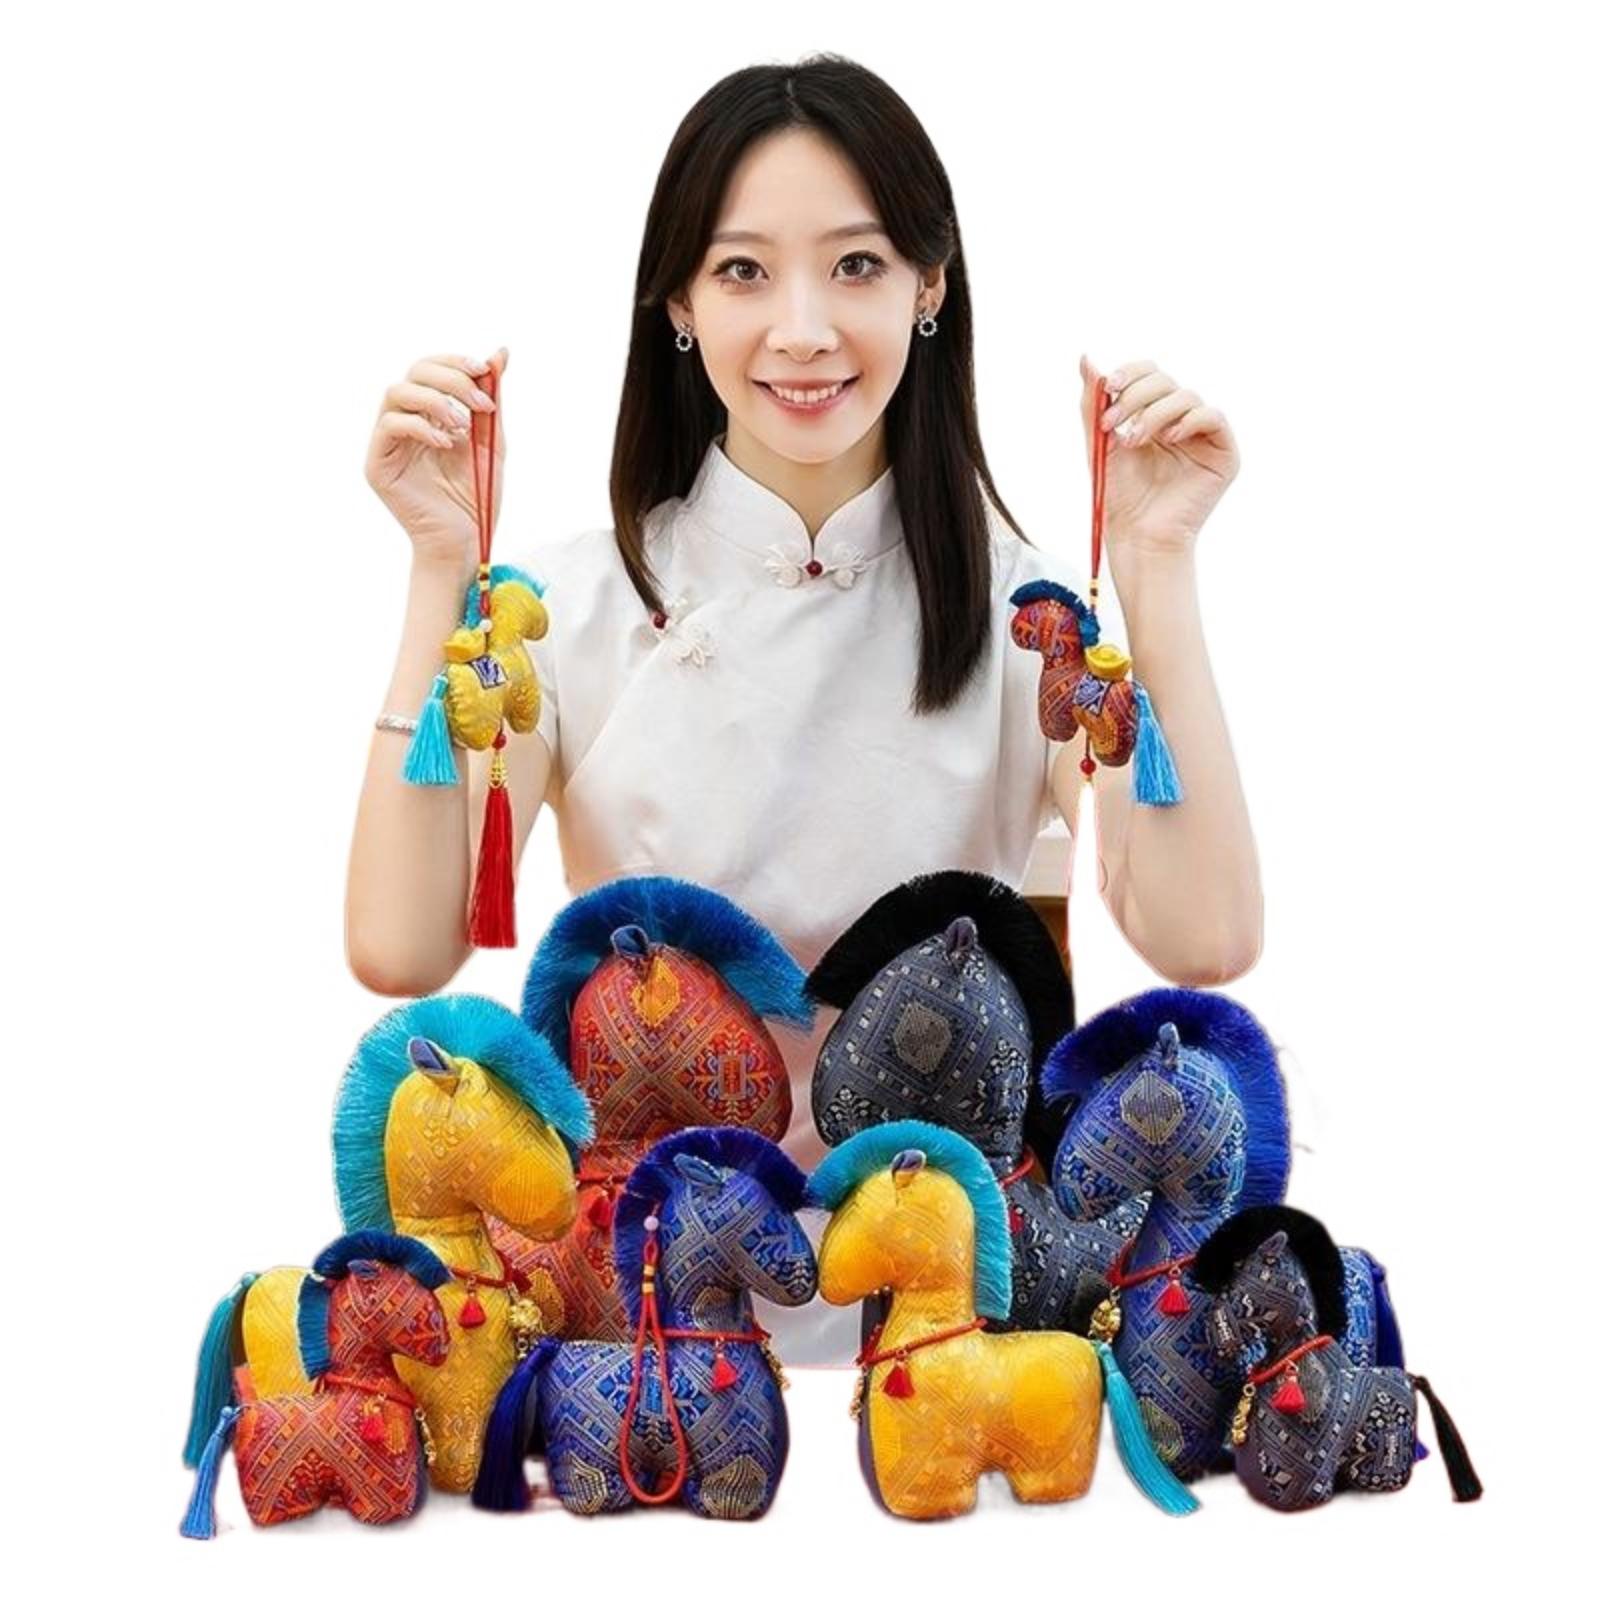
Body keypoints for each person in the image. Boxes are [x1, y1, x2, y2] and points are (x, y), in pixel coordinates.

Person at [345, 54, 1262, 1363]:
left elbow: (1206, 934)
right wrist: (439, 568)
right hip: (651, 1323)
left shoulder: (1027, 619)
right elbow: (398, 948)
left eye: (856, 265)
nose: (803, 329)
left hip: (947, 1313)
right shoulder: (565, 607)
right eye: (743, 271)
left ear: (930, 286)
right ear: (677, 301)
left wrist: (1156, 567)